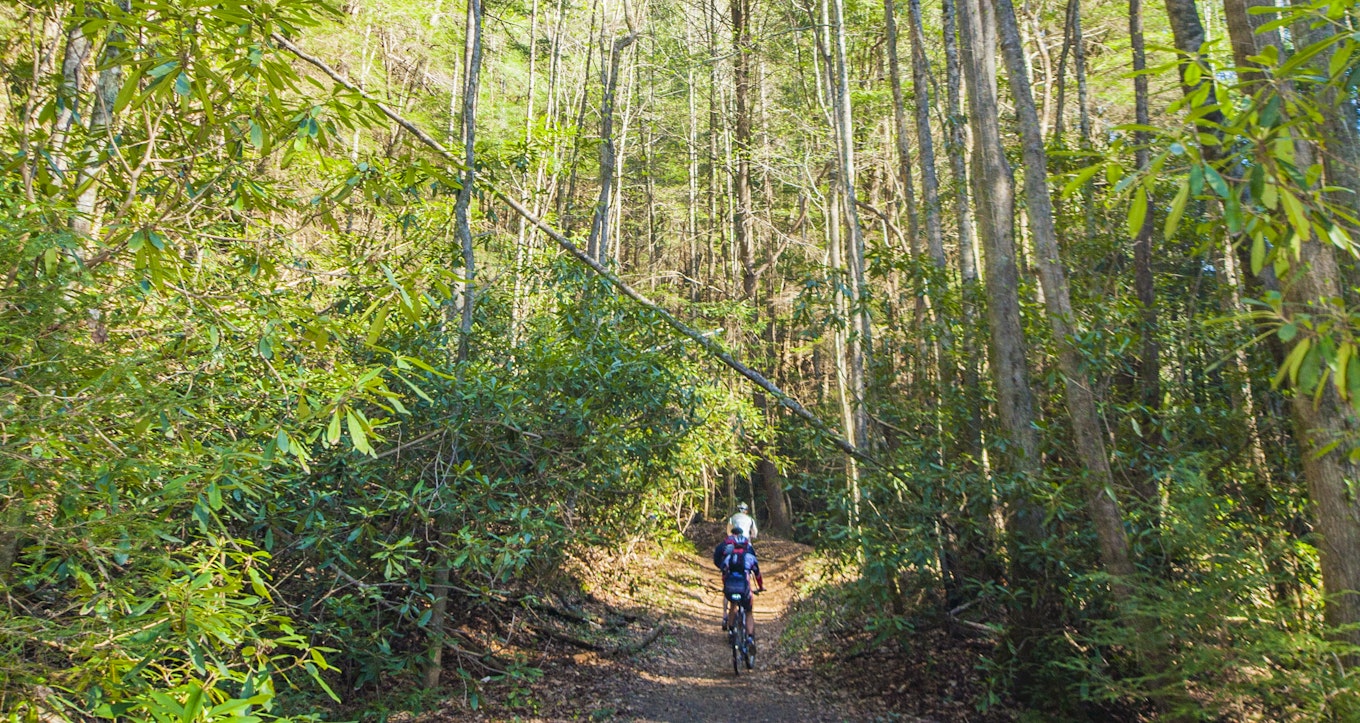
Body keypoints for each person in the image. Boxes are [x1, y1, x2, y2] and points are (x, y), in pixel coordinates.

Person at [713, 526, 764, 645]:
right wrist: (760, 587)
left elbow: (722, 567)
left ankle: (731, 630)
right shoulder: (750, 557)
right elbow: (757, 574)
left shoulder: (728, 557)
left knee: (733, 606)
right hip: (744, 589)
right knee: (749, 611)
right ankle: (750, 637)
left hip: (730, 587)